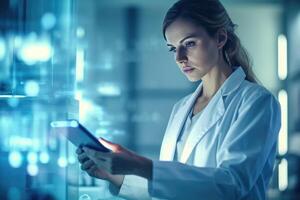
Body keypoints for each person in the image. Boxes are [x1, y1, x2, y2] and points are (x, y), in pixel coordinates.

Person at [76, 0, 281, 199]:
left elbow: (231, 185)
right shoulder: (182, 108)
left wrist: (139, 164)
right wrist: (116, 177)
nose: (179, 57)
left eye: (189, 43)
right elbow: (172, 188)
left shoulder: (257, 102)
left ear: (220, 38)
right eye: (173, 48)